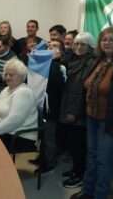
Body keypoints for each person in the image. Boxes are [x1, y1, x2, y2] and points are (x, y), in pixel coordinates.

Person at [71, 27, 113, 199]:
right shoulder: (98, 61)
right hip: (92, 118)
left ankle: (99, 195)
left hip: (112, 123)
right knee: (92, 157)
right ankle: (87, 193)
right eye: (104, 40)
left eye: (111, 40)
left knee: (103, 162)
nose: (107, 43)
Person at [59, 32, 96, 189]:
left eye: (83, 44)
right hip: (69, 105)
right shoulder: (73, 60)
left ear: (89, 47)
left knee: (79, 146)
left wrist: (74, 112)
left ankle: (80, 174)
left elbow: (81, 90)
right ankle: (75, 170)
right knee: (73, 145)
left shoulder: (91, 63)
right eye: (77, 44)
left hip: (79, 111)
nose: (79, 47)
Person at [0, 59, 38, 152]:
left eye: (11, 75)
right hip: (2, 132)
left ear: (21, 76)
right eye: (6, 74)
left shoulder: (23, 92)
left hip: (18, 138)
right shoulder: (7, 89)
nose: (7, 77)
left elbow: (14, 121)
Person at [36, 39, 67, 174]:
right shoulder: (43, 65)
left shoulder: (61, 67)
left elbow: (61, 88)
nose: (50, 48)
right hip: (41, 105)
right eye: (49, 46)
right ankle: (42, 157)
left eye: (54, 46)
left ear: (60, 52)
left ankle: (49, 163)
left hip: (53, 107)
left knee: (50, 137)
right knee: (42, 135)